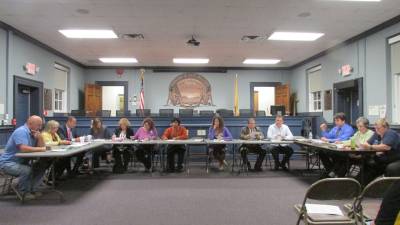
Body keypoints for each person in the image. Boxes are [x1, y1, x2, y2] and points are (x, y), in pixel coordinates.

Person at [0, 116, 47, 200]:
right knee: (26, 170)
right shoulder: (21, 131)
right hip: (8, 163)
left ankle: (32, 189)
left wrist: (40, 137)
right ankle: (23, 192)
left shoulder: (34, 132)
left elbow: (43, 147)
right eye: (38, 125)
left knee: (41, 166)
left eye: (41, 125)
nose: (40, 127)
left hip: (21, 162)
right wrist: (41, 148)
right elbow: (23, 148)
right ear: (30, 124)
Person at [359, 118, 400, 184]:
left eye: (378, 128)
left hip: (395, 160)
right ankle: (361, 186)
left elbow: (386, 147)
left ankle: (387, 188)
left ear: (385, 127)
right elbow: (367, 143)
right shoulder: (377, 134)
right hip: (381, 159)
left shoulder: (390, 133)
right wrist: (371, 146)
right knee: (366, 162)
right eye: (375, 128)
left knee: (391, 168)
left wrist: (371, 147)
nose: (376, 130)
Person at [318, 112, 354, 177]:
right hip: (334, 148)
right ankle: (331, 170)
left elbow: (342, 139)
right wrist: (324, 130)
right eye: (335, 120)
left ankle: (333, 172)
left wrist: (328, 140)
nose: (336, 122)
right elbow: (329, 136)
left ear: (343, 121)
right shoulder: (335, 128)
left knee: (338, 156)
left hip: (344, 150)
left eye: (338, 120)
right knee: (321, 151)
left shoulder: (348, 129)